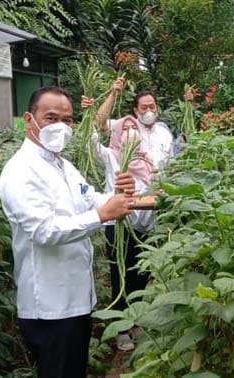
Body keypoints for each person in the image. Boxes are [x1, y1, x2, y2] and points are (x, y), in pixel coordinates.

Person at [0, 86, 136, 378]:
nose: (61, 126)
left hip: (74, 300)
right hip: (49, 305)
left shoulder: (64, 166)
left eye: (68, 119)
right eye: (51, 117)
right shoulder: (21, 171)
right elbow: (43, 231)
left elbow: (91, 198)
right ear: (28, 119)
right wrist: (102, 215)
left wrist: (118, 197)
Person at [89, 113, 155, 351]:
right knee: (120, 277)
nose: (129, 129)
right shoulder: (111, 157)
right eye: (124, 127)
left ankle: (135, 320)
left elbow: (156, 188)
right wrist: (93, 113)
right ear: (116, 133)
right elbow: (92, 139)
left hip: (145, 227)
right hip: (119, 228)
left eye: (133, 126)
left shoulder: (149, 160)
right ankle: (120, 328)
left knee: (140, 277)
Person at [94, 78, 174, 170]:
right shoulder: (125, 127)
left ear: (156, 108)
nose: (149, 111)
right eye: (144, 108)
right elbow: (99, 123)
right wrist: (113, 95)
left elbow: (171, 166)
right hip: (130, 182)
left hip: (159, 183)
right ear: (136, 111)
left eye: (152, 107)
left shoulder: (165, 134)